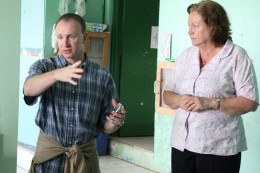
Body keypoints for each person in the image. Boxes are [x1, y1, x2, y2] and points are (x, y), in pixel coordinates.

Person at [163, 1, 259, 173]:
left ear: (214, 26)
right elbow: (168, 94)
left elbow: (250, 102)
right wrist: (179, 99)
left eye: (195, 26)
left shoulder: (236, 56)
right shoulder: (185, 56)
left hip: (219, 148)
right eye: (189, 25)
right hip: (182, 144)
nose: (189, 31)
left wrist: (209, 103)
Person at [23, 13, 126, 173]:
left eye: (71, 37)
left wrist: (115, 121)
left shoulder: (102, 77)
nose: (65, 44)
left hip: (84, 161)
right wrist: (57, 74)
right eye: (60, 37)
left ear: (84, 37)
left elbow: (105, 126)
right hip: (48, 160)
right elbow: (28, 89)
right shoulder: (45, 67)